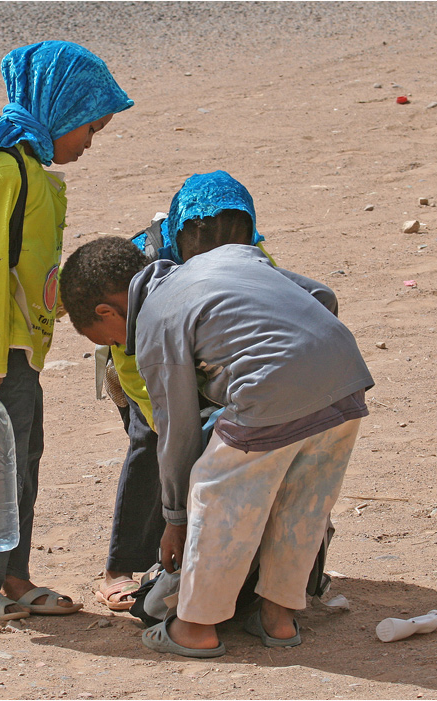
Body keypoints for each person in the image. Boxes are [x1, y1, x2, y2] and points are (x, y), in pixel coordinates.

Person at [60, 236, 373, 657]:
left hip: (269, 394)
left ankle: (195, 628)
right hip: (345, 380)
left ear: (106, 311)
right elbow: (322, 295)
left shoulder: (155, 320)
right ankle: (277, 620)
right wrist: (303, 357)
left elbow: (177, 430)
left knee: (215, 492)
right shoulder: (226, 257)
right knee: (301, 503)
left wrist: (175, 517)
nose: (118, 348)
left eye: (106, 337)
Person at [0, 41, 133, 623]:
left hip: (21, 351)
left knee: (23, 461)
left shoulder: (29, 171)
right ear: (59, 107)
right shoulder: (2, 171)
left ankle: (11, 574)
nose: (88, 143)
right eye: (88, 128)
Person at [95, 171, 280, 611]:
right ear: (181, 236)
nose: (216, 260)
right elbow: (130, 353)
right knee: (154, 447)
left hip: (212, 369)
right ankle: (120, 568)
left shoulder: (256, 259)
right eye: (203, 250)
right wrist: (169, 419)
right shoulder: (143, 267)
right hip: (143, 371)